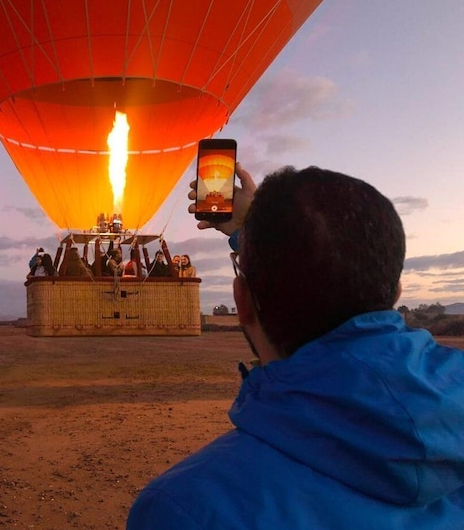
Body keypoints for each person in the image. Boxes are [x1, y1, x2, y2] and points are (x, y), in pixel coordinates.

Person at [127, 163, 464, 529]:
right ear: (396, 294)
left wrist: (254, 239)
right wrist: (252, 233)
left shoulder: (181, 508)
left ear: (240, 302)